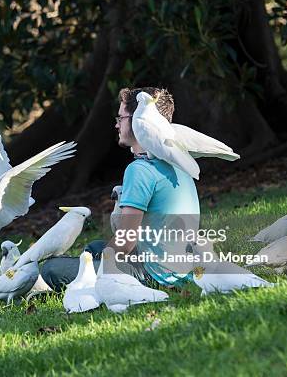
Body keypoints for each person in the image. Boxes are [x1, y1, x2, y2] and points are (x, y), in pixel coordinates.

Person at [40, 86, 200, 291]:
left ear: (137, 120)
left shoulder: (139, 169)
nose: (116, 125)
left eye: (121, 118)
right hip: (181, 270)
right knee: (93, 249)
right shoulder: (180, 160)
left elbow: (126, 242)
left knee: (52, 269)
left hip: (154, 276)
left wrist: (100, 264)